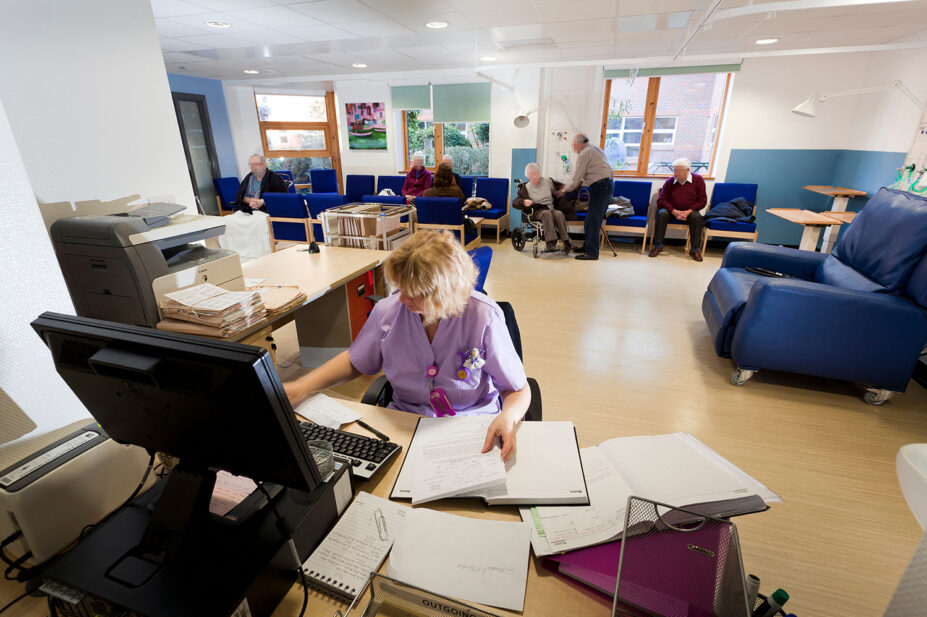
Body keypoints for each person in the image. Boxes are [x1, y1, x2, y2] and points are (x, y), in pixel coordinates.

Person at [284, 231, 530, 461]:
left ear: (446, 291)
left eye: (414, 293)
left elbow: (518, 389)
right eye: (400, 287)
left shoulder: (483, 316)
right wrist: (302, 386)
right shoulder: (387, 312)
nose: (402, 298)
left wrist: (508, 416)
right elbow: (355, 360)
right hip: (404, 425)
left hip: (470, 427)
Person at [555, 133, 614, 261]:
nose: (573, 148)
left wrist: (564, 190)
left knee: (593, 220)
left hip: (601, 186)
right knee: (589, 220)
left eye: (573, 145)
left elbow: (576, 179)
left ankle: (592, 253)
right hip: (605, 185)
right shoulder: (595, 149)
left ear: (580, 143)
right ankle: (587, 247)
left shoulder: (584, 154)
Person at [649, 158, 707, 262]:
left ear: (688, 170)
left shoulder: (698, 180)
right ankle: (658, 246)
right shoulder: (670, 181)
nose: (676, 173)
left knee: (698, 217)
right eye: (675, 170)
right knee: (661, 213)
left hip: (689, 211)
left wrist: (689, 211)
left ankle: (694, 249)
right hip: (672, 211)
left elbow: (702, 201)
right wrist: (674, 211)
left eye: (679, 170)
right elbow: (661, 200)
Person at [512, 163, 573, 253]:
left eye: (537, 176)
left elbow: (561, 187)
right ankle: (550, 243)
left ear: (539, 173)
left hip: (551, 209)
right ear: (528, 177)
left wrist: (562, 191)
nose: (536, 180)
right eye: (532, 178)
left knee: (559, 214)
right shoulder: (525, 188)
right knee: (546, 213)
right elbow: (515, 203)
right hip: (537, 211)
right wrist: (524, 202)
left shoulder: (547, 181)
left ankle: (566, 241)